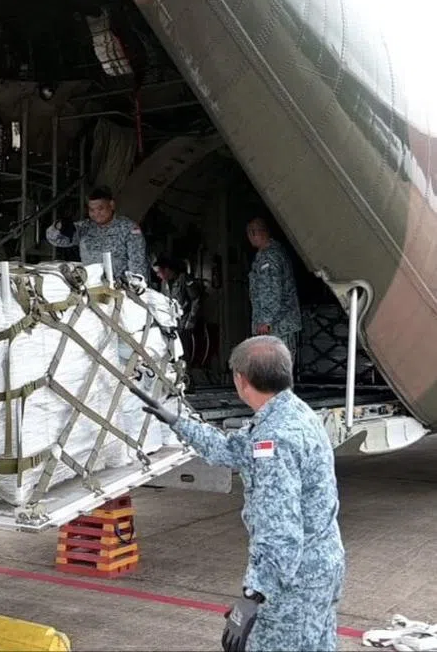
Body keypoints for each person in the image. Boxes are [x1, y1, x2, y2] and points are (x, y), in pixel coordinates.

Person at [134, 336, 345, 652]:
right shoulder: (289, 413)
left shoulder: (275, 439)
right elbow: (231, 451)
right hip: (319, 569)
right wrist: (179, 423)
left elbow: (280, 531)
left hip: (294, 581)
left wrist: (254, 595)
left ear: (241, 380)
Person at [46, 186, 148, 280]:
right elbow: (55, 240)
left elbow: (138, 264)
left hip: (119, 289)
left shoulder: (128, 228)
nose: (96, 214)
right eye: (92, 210)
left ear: (111, 205)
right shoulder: (85, 227)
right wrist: (59, 226)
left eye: (100, 209)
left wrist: (136, 287)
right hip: (90, 286)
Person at [246, 218, 302, 364]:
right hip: (279, 324)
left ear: (255, 233)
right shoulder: (274, 252)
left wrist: (265, 320)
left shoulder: (269, 257)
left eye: (250, 234)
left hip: (276, 326)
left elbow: (270, 290)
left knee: (275, 367)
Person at [153, 257, 202, 332]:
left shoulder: (184, 279)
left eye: (158, 272)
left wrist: (191, 320)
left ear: (166, 270)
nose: (157, 275)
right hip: (170, 324)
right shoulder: (164, 283)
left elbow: (196, 300)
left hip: (185, 324)